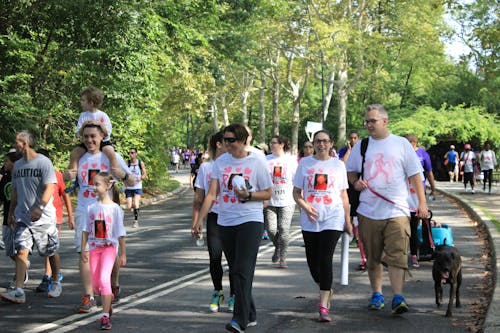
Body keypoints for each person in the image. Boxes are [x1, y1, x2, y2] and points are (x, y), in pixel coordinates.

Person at [346, 104, 428, 315]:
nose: (369, 125)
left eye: (372, 121)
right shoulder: (362, 146)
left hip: (397, 210)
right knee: (373, 257)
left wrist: (422, 203)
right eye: (367, 121)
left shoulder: (401, 144)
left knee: (398, 255)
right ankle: (377, 294)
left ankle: (398, 297)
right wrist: (355, 183)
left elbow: (415, 175)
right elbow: (350, 172)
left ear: (385, 121)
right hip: (368, 211)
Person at [193, 124, 272, 333]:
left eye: (231, 140)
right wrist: (200, 219)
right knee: (236, 269)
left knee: (242, 270)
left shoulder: (257, 161)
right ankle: (251, 313)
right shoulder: (221, 162)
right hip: (226, 222)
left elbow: (268, 193)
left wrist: (249, 196)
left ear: (244, 140)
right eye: (225, 140)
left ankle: (239, 319)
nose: (227, 144)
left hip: (250, 221)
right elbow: (212, 194)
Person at [293, 130, 352, 322]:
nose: (321, 145)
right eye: (318, 141)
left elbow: (343, 195)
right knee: (313, 263)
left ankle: (323, 304)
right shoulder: (305, 164)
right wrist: (305, 206)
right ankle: (325, 286)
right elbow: (296, 193)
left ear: (331, 143)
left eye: (325, 141)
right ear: (314, 144)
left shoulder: (338, 165)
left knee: (325, 258)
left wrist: (348, 220)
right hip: (310, 218)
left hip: (332, 216)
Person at [73, 121, 132, 313]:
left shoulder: (110, 156)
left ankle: (113, 283)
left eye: (93, 136)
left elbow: (131, 179)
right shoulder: (79, 158)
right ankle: (89, 296)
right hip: (85, 210)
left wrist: (120, 173)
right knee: (85, 252)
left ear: (101, 138)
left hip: (106, 211)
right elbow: (69, 179)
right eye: (86, 137)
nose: (90, 140)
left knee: (108, 248)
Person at [1, 131, 62, 303]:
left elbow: (50, 187)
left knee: (50, 251)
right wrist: (12, 212)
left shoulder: (43, 162)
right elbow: (15, 190)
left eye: (17, 142)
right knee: (21, 251)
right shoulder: (18, 165)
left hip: (43, 218)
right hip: (23, 217)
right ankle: (19, 290)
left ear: (25, 143)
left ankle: (56, 281)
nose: (15, 146)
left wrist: (40, 207)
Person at [191, 131, 235, 313]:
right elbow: (199, 198)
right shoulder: (206, 168)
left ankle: (235, 294)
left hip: (233, 217)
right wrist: (197, 221)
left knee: (234, 260)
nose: (231, 145)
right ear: (219, 144)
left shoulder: (235, 165)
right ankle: (218, 291)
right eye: (228, 141)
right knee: (215, 257)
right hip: (215, 217)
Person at [81, 172, 126, 330]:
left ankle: (105, 316)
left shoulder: (114, 209)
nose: (94, 187)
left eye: (97, 184)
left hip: (109, 248)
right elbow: (86, 230)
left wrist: (123, 254)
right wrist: (83, 249)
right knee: (95, 285)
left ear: (108, 185)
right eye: (93, 184)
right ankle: (108, 298)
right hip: (94, 248)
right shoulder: (91, 208)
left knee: (104, 279)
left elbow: (120, 233)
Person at [65, 86, 127, 190]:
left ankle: (115, 173)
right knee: (74, 153)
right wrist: (85, 126)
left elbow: (108, 132)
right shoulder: (83, 116)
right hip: (87, 142)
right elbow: (78, 132)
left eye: (83, 100)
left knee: (110, 151)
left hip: (102, 142)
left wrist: (98, 125)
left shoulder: (103, 116)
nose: (81, 102)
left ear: (91, 102)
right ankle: (73, 178)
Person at [35, 149, 75, 293]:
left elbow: (66, 197)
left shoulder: (56, 175)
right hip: (39, 216)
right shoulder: (34, 174)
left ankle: (49, 276)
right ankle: (53, 273)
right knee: (42, 247)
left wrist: (70, 217)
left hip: (55, 216)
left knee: (49, 247)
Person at [265, 135, 298, 268]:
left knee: (284, 229)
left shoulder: (290, 160)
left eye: (274, 143)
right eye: (270, 143)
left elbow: (297, 180)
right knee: (271, 229)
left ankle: (283, 256)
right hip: (270, 201)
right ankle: (278, 247)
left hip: (287, 200)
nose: (271, 145)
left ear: (282, 144)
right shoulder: (266, 160)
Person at [405, 134, 437, 268]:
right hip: (403, 194)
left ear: (413, 143)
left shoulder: (423, 155)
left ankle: (413, 254)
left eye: (407, 142)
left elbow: (429, 172)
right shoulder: (401, 154)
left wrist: (433, 188)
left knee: (413, 225)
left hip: (417, 195)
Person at [338, 130, 367, 270]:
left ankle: (370, 257)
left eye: (355, 138)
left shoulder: (364, 150)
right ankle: (364, 257)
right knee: (356, 224)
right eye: (351, 138)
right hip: (349, 189)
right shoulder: (343, 151)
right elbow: (342, 166)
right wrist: (349, 151)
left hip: (363, 191)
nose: (353, 140)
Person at [0, 149, 22, 282]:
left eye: (7, 161)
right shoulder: (6, 177)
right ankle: (22, 264)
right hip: (7, 218)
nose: (5, 163)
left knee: (21, 248)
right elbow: (1, 197)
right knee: (9, 249)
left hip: (19, 217)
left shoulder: (21, 177)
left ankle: (21, 271)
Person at [125, 148, 147, 228]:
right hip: (129, 186)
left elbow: (144, 174)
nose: (131, 154)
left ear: (136, 154)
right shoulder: (127, 163)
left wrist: (140, 178)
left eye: (133, 152)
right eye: (130, 153)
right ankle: (135, 208)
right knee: (129, 205)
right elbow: (123, 174)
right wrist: (126, 180)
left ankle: (136, 221)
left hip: (137, 186)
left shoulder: (140, 163)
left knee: (136, 202)